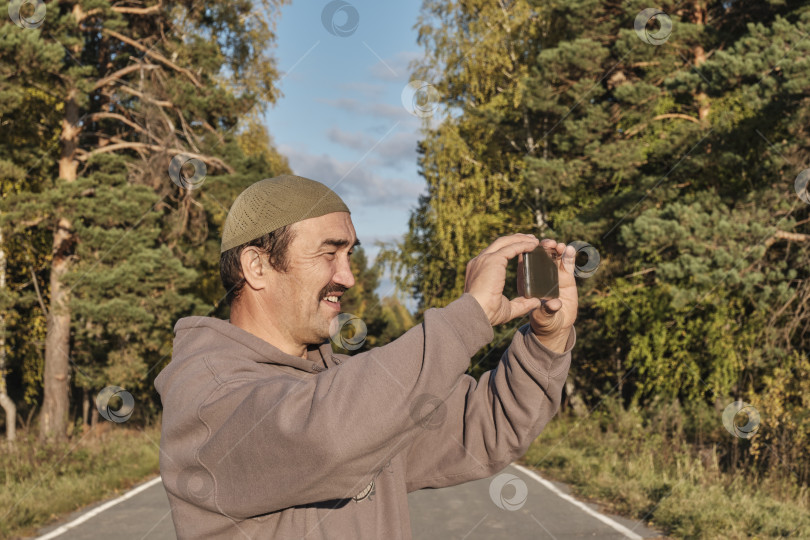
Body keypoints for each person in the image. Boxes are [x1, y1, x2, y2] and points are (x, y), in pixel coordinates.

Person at [155, 174, 578, 539]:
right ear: (257, 266)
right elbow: (321, 435)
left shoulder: (346, 385)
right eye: (329, 253)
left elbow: (483, 425)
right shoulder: (208, 398)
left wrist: (546, 340)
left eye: (350, 254)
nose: (348, 277)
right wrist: (468, 318)